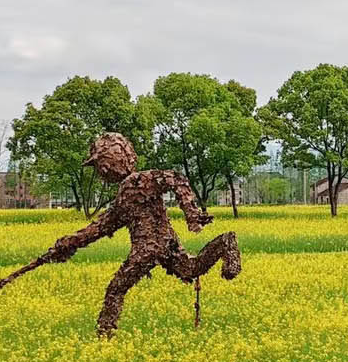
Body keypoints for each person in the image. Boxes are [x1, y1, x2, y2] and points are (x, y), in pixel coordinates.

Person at [39, 132, 241, 336]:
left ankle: (104, 336)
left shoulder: (136, 183)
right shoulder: (126, 194)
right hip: (167, 244)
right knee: (191, 268)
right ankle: (224, 242)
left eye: (101, 166)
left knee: (116, 289)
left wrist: (191, 213)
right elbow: (98, 229)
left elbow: (175, 179)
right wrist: (64, 245)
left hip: (146, 249)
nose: (102, 173)